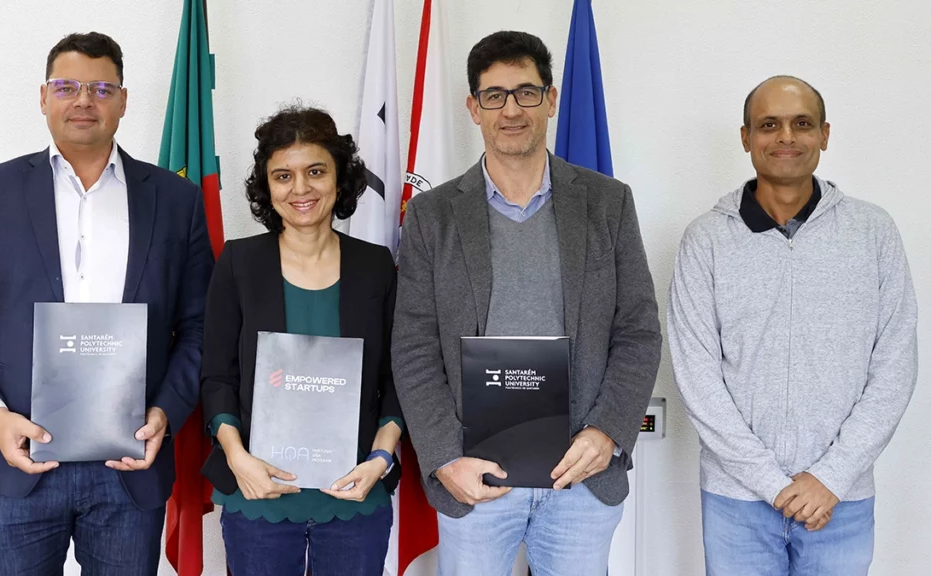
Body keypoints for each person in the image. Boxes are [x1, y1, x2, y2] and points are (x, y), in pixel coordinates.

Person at [0, 32, 213, 574]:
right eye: (67, 86)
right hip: (15, 462)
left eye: (102, 88)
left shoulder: (176, 200)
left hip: (128, 464)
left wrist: (165, 412)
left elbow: (199, 327)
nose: (84, 100)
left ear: (123, 101)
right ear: (43, 96)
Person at [391, 31, 662, 576]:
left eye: (526, 92)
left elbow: (638, 332)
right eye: (494, 95)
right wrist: (444, 458)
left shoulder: (608, 204)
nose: (511, 109)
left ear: (552, 99)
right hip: (474, 477)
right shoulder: (433, 215)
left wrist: (607, 432)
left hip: (580, 476)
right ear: (473, 108)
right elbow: (414, 348)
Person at [667, 75, 918, 575]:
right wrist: (773, 483)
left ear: (825, 134)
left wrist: (831, 476)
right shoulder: (706, 241)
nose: (786, 137)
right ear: (746, 138)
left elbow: (895, 366)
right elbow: (697, 376)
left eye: (801, 123)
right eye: (769, 124)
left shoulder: (874, 233)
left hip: (839, 501)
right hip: (736, 502)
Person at [199, 104, 403, 576]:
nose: (301, 189)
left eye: (315, 171)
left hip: (355, 489)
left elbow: (398, 376)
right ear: (267, 187)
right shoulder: (239, 263)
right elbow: (217, 376)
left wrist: (381, 456)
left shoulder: (376, 267)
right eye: (283, 176)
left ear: (340, 178)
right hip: (258, 493)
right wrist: (237, 457)